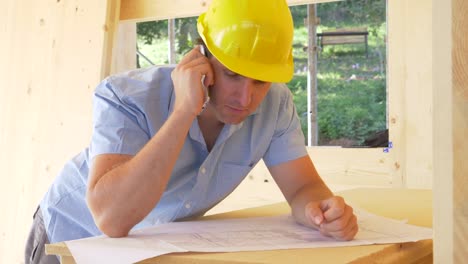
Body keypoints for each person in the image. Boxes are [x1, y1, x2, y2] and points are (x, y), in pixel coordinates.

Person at [25, 0, 358, 263]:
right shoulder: (125, 95)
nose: (246, 98)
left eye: (261, 80)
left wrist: (321, 213)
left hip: (145, 245)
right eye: (233, 75)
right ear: (202, 55)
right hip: (69, 238)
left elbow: (303, 187)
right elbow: (111, 219)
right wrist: (184, 110)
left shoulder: (276, 105)